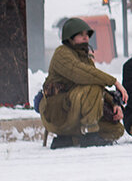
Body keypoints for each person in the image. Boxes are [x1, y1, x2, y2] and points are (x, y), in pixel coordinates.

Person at [40, 17, 127, 148]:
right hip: (57, 112)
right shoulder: (61, 53)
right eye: (81, 35)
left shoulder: (85, 57)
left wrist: (113, 102)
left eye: (87, 35)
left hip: (73, 112)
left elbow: (97, 83)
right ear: (70, 38)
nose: (86, 38)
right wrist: (114, 82)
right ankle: (90, 134)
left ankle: (70, 139)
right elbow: (81, 74)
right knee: (91, 87)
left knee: (116, 130)